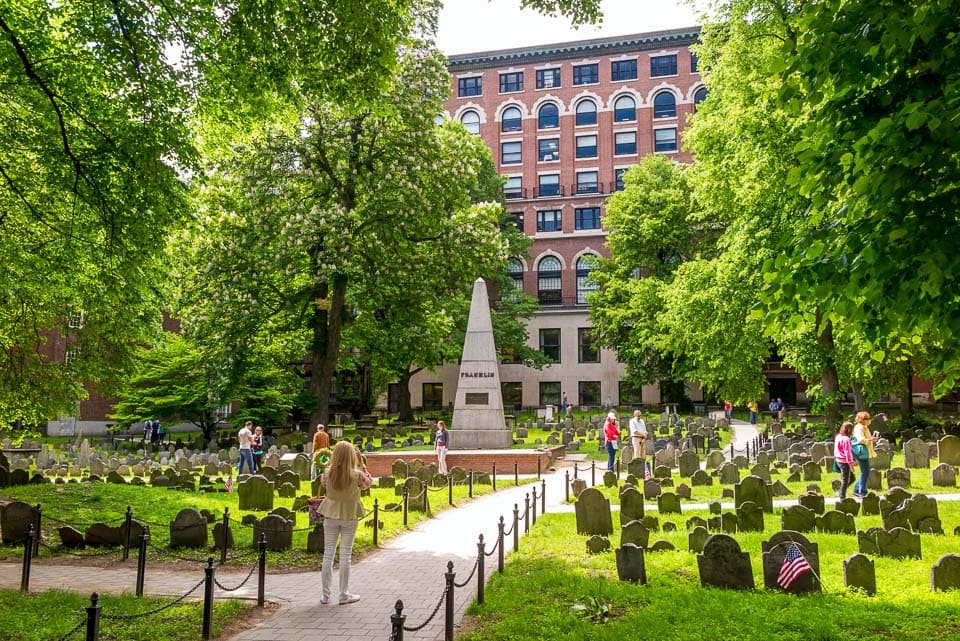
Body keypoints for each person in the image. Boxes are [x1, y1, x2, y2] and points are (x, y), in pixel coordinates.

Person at [319, 441, 372, 605]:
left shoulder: (327, 473)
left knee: (328, 554)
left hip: (330, 514)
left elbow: (323, 484)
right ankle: (343, 593)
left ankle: (325, 595)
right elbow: (368, 483)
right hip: (349, 515)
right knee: (345, 555)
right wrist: (362, 466)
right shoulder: (357, 475)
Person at [851, 411, 877, 498]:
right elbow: (860, 439)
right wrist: (870, 439)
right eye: (866, 418)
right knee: (865, 471)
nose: (869, 420)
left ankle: (856, 490)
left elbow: (867, 439)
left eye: (869, 418)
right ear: (861, 420)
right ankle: (862, 492)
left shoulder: (865, 427)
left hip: (864, 452)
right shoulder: (859, 428)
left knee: (865, 471)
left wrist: (871, 439)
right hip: (861, 452)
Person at [834, 421, 856, 500]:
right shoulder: (846, 439)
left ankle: (840, 492)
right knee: (845, 480)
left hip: (838, 460)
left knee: (852, 478)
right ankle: (842, 497)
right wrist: (851, 465)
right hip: (844, 462)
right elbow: (848, 453)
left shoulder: (838, 436)